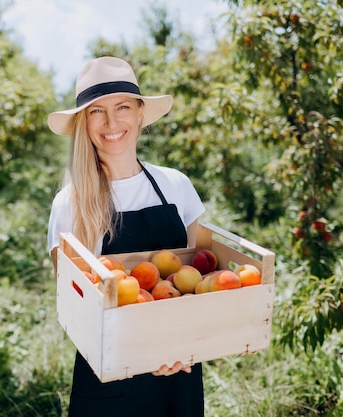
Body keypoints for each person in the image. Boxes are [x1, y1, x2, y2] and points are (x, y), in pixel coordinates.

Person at [47, 56, 205, 417]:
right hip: (109, 379)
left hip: (179, 366)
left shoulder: (176, 186)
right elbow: (76, 314)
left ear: (138, 114)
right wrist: (147, 351)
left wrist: (183, 345)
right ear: (84, 124)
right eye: (96, 111)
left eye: (122, 107)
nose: (112, 122)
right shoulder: (70, 204)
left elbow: (198, 283)